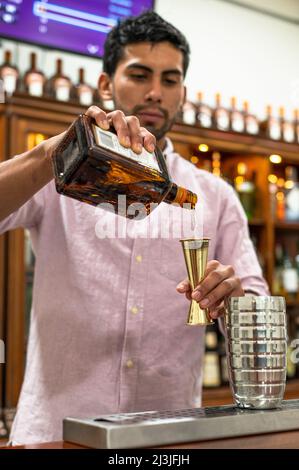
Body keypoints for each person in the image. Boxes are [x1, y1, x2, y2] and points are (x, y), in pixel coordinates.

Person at [0, 11, 268, 445]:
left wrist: (234, 301)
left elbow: (256, 325)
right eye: (140, 75)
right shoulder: (62, 170)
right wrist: (56, 152)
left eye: (170, 79)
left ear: (182, 91)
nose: (155, 93)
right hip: (57, 431)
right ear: (106, 85)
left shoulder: (214, 195)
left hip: (166, 438)